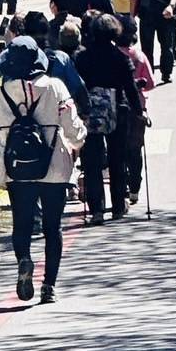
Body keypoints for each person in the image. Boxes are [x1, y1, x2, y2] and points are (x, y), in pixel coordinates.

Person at [0, 37, 85, 305]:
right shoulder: (55, 87)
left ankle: (24, 260)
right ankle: (49, 286)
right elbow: (72, 126)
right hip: (54, 166)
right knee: (52, 227)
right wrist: (79, 140)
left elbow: (0, 133)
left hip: (17, 168)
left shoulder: (1, 93)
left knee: (21, 224)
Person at [74, 14, 141, 224]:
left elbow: (77, 87)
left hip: (90, 113)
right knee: (117, 158)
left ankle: (97, 209)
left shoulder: (83, 57)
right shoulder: (120, 57)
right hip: (117, 111)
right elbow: (130, 87)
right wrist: (139, 111)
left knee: (92, 161)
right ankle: (119, 205)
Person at [118, 15, 153, 205]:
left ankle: (122, 185)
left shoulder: (114, 55)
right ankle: (135, 189)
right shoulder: (139, 56)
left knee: (120, 149)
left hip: (118, 108)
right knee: (135, 150)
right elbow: (151, 83)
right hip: (137, 109)